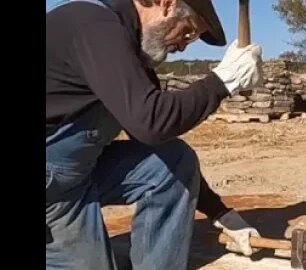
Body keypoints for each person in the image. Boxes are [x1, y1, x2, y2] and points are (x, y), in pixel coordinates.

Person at [46, 0, 263, 269]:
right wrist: (223, 81)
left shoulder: (131, 59)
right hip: (51, 189)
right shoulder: (91, 24)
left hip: (75, 177)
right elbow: (151, 120)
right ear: (166, 4)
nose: (183, 45)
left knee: (174, 159)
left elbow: (155, 137)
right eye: (187, 31)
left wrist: (221, 213)